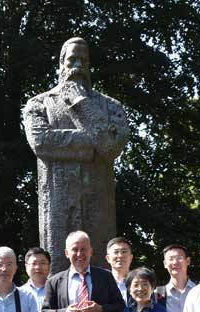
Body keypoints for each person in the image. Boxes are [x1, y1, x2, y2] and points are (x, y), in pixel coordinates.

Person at [23, 37, 129, 269]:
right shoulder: (39, 104)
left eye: (84, 60)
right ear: (61, 63)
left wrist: (81, 104)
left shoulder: (110, 106)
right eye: (72, 59)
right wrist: (92, 145)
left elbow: (111, 146)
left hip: (98, 203)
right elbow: (41, 142)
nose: (78, 66)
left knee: (101, 267)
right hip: (57, 201)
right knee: (57, 271)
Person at [105, 237, 133, 312]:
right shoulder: (99, 283)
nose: (120, 256)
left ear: (131, 257)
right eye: (116, 252)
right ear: (108, 258)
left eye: (124, 252)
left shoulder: (139, 284)